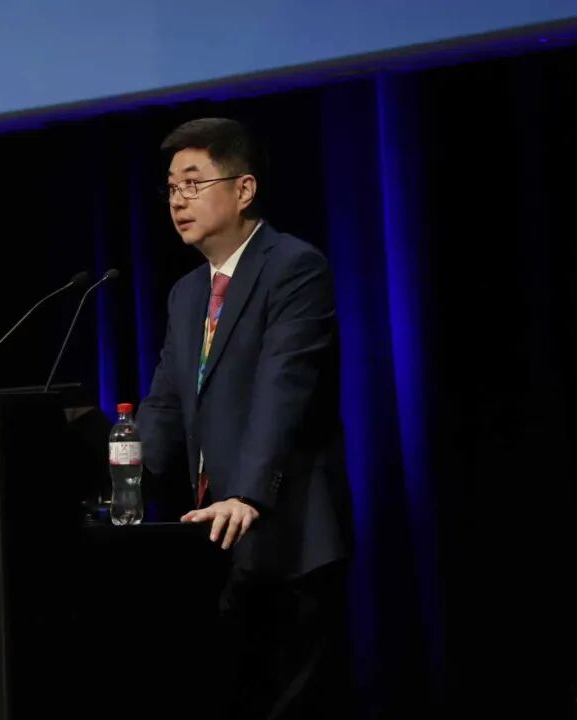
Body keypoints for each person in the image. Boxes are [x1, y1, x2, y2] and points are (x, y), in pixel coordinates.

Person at [138, 118, 353, 719]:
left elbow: (284, 388)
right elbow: (166, 404)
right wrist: (121, 485)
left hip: (289, 538)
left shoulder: (294, 268)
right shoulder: (187, 293)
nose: (178, 200)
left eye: (193, 183)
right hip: (215, 543)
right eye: (171, 188)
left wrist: (248, 495)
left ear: (244, 189)